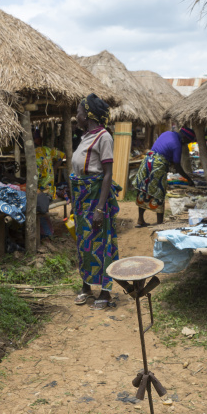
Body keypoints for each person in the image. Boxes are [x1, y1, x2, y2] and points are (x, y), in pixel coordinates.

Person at [71, 93, 120, 310]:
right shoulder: (85, 137)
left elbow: (107, 174)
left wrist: (100, 208)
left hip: (95, 199)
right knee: (84, 243)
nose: (77, 116)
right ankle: (86, 287)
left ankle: (106, 291)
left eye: (79, 112)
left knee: (102, 242)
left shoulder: (104, 137)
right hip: (82, 199)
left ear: (88, 114)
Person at [134, 126, 196, 227]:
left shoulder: (167, 133)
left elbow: (164, 150)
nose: (186, 144)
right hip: (157, 166)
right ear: (184, 138)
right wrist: (188, 179)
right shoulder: (177, 145)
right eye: (187, 142)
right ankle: (160, 223)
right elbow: (177, 166)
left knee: (143, 190)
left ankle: (140, 220)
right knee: (159, 193)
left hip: (147, 161)